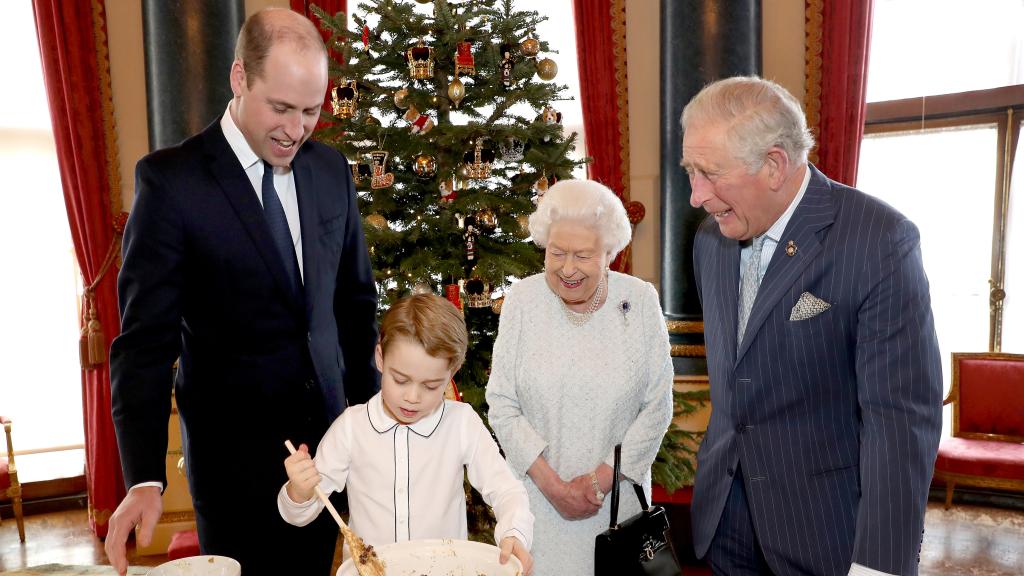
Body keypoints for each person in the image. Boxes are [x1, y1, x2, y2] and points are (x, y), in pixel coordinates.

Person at [106, 8, 378, 575]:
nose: (295, 129)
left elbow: (354, 310)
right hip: (235, 469)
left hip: (332, 451)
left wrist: (368, 428)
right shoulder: (171, 183)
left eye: (310, 111)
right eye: (280, 108)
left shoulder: (331, 171)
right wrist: (145, 477)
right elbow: (145, 345)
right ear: (238, 78)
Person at [682, 76, 943, 575]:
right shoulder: (709, 241)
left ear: (775, 164)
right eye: (690, 171)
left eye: (710, 173)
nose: (696, 195)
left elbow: (901, 422)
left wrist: (880, 564)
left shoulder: (879, 241)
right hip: (726, 523)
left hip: (826, 533)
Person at [486, 179, 675, 575]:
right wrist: (554, 487)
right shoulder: (522, 300)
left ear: (609, 254)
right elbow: (501, 402)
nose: (567, 269)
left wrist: (597, 483)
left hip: (617, 508)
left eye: (583, 255)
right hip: (536, 504)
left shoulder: (639, 301)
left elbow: (657, 406)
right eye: (557, 253)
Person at [279, 294, 534, 574]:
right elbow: (300, 514)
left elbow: (507, 490)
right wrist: (299, 492)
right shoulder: (351, 427)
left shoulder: (461, 423)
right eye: (400, 380)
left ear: (452, 371)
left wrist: (514, 532)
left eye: (430, 385)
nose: (412, 397)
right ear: (380, 357)